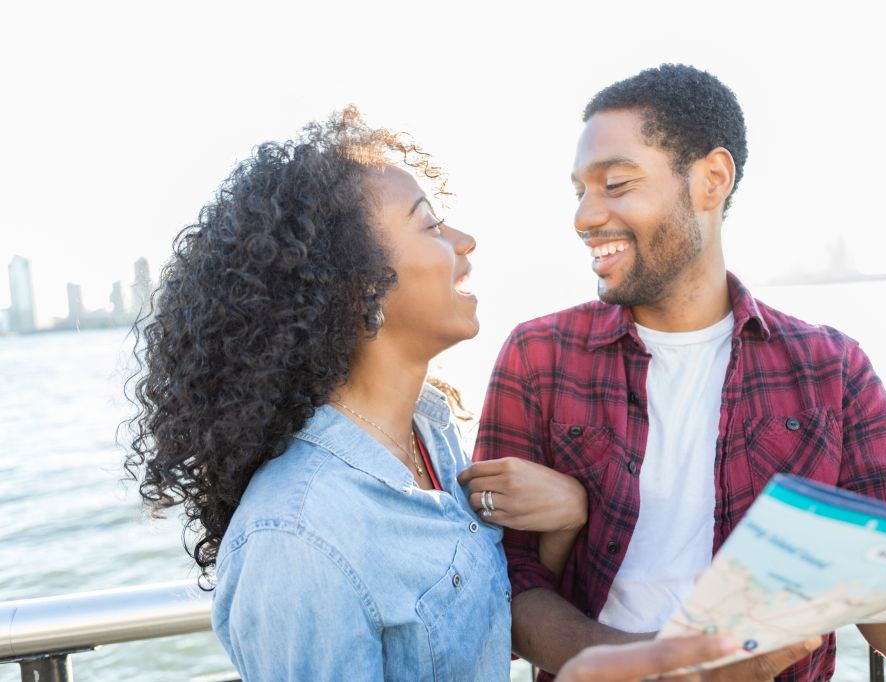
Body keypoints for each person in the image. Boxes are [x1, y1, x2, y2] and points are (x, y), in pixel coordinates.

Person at [124, 107, 815, 681]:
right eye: (430, 225)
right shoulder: (298, 537)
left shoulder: (430, 441)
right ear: (359, 288)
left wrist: (567, 520)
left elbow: (480, 629)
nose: (466, 240)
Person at [468, 64, 886, 681]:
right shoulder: (539, 356)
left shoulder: (831, 369)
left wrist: (845, 574)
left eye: (616, 184)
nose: (585, 216)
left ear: (711, 180)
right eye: (579, 190)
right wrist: (657, 667)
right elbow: (504, 584)